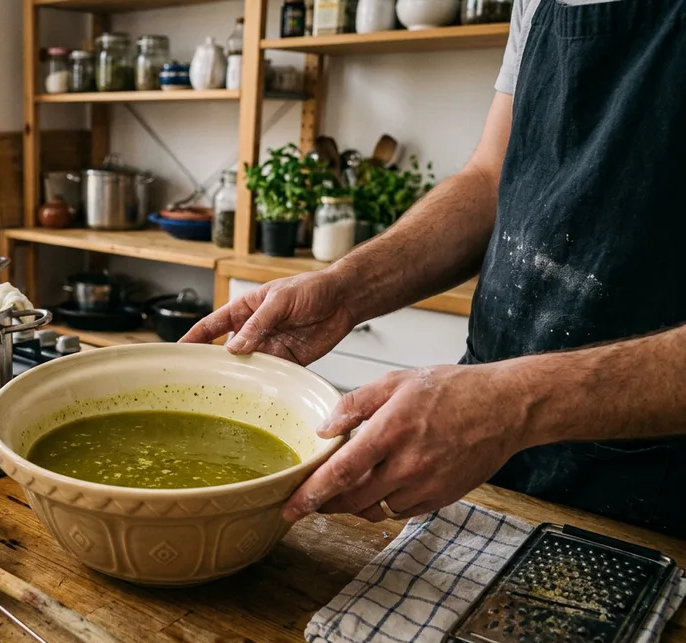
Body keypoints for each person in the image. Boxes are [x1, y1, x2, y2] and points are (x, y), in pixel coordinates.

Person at [182, 0, 686, 538]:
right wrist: (344, 289)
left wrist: (512, 402)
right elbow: (489, 181)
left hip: (655, 484)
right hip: (490, 451)